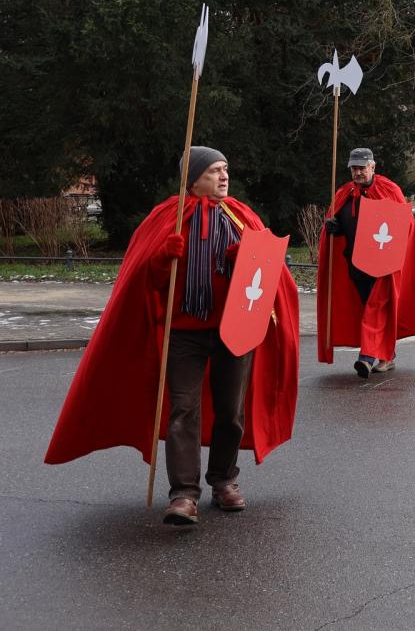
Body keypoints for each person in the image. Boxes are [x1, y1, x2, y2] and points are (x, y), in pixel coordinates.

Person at [45, 147, 300, 526]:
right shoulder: (168, 217)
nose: (224, 177)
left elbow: (270, 273)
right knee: (183, 411)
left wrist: (245, 261)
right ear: (192, 179)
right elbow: (143, 280)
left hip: (235, 330)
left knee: (231, 413)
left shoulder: (242, 216)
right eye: (214, 171)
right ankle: (184, 494)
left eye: (226, 169)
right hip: (184, 332)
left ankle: (224, 481)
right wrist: (162, 258)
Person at [319, 147, 415, 378]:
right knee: (368, 307)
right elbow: (337, 226)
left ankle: (366, 358)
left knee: (374, 308)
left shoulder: (389, 190)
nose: (357, 172)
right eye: (354, 168)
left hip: (383, 267)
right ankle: (387, 355)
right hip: (355, 264)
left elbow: (405, 226)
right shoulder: (344, 194)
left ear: (373, 167)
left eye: (362, 168)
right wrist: (332, 228)